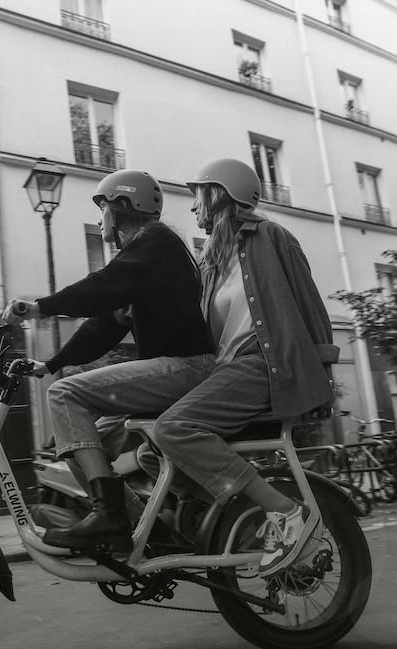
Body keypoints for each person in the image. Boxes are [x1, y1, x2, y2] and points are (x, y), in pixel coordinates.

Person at [0, 169, 215, 552]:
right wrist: (52, 363)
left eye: (103, 208)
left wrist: (39, 307)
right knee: (78, 438)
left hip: (186, 366)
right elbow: (105, 325)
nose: (100, 220)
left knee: (64, 397)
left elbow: (101, 288)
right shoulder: (145, 260)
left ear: (123, 205)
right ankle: (146, 530)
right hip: (174, 369)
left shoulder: (153, 241)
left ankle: (109, 515)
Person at [150, 157, 340, 577]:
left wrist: (324, 377)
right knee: (150, 448)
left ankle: (286, 512)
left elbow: (310, 305)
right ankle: (222, 516)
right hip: (227, 370)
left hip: (263, 364)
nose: (192, 206)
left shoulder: (271, 236)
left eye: (197, 195)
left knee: (173, 429)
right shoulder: (212, 260)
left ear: (219, 194)